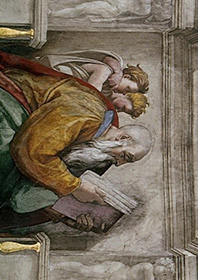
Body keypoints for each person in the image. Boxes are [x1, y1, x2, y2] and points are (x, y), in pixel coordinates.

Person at [0, 51, 150, 235]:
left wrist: (64, 212)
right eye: (125, 156)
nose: (118, 163)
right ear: (122, 138)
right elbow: (30, 151)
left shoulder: (88, 144)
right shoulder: (88, 111)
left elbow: (29, 183)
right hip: (9, 103)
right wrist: (74, 186)